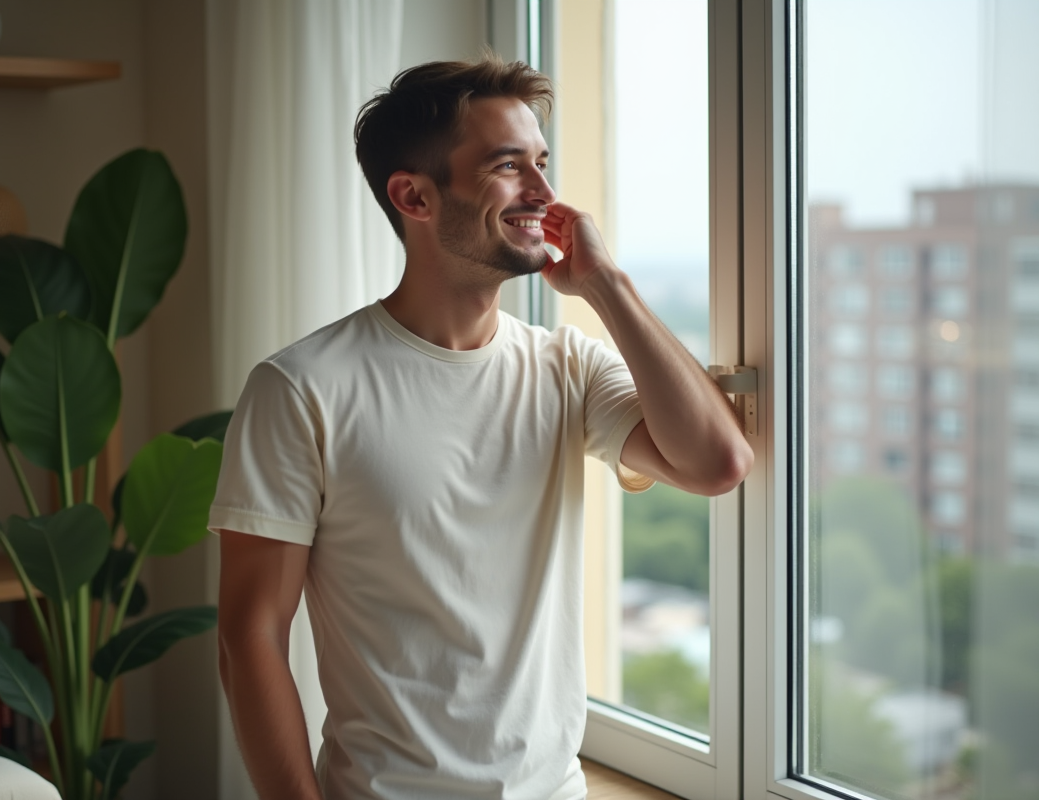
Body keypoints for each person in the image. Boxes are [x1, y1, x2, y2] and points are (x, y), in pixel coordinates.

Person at [211, 55, 752, 800]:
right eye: (508, 166)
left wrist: (606, 286)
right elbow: (250, 639)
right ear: (415, 197)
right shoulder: (301, 388)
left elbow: (717, 464)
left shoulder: (568, 368)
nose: (543, 192)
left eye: (542, 162)